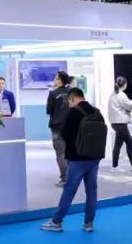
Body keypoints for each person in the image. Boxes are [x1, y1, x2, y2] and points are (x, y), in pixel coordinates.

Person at [42, 88, 106, 233]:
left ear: (73, 98)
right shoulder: (97, 112)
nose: (69, 105)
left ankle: (57, 221)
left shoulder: (74, 112)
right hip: (95, 157)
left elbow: (65, 134)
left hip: (77, 158)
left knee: (69, 190)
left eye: (69, 102)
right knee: (92, 190)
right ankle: (89, 223)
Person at [46, 71, 73, 186]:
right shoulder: (72, 92)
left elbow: (48, 111)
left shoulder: (53, 94)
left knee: (61, 154)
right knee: (71, 153)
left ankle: (65, 179)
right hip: (71, 127)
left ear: (60, 80)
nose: (54, 80)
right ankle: (72, 177)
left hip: (57, 127)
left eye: (56, 78)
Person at [108, 77, 132, 171]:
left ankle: (115, 166)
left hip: (115, 122)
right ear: (124, 85)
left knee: (119, 144)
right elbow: (130, 106)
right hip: (120, 123)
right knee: (129, 142)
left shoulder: (113, 94)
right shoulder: (121, 95)